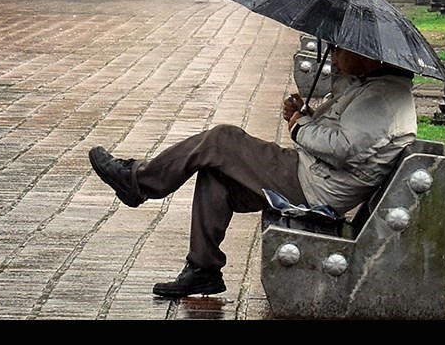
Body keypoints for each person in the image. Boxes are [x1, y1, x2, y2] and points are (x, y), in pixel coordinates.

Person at [88, 45, 417, 298]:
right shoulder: (378, 89)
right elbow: (350, 139)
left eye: (343, 48)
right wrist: (308, 114)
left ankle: (137, 180)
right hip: (316, 177)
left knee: (221, 140)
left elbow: (343, 148)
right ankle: (203, 269)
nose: (334, 52)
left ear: (373, 58)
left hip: (313, 185)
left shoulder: (381, 98)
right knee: (216, 174)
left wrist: (299, 126)